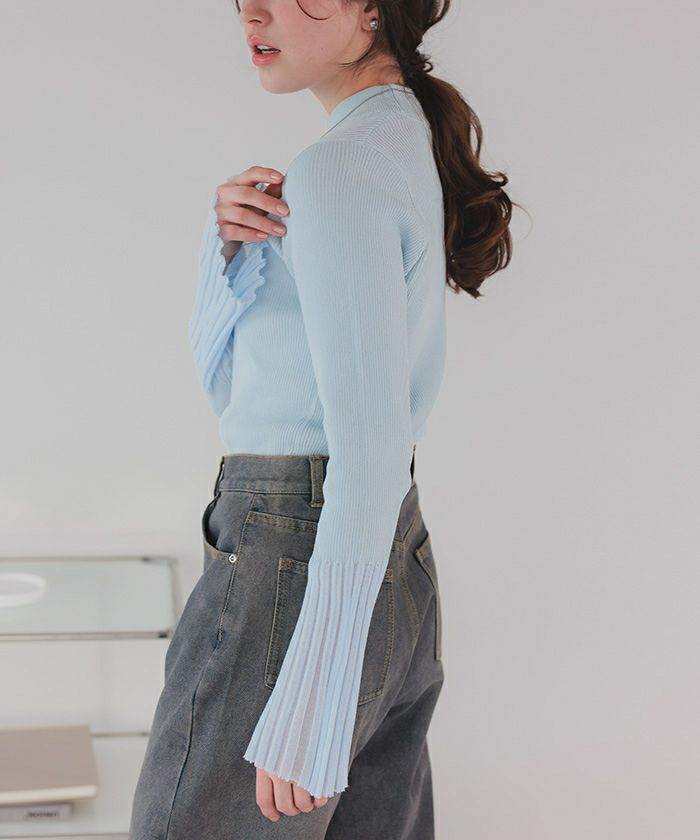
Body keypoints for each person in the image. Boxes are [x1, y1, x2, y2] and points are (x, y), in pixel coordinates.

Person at [129, 0, 514, 837]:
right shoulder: (396, 141)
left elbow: (363, 443)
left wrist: (319, 685)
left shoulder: (338, 168)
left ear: (372, 9)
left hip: (298, 553)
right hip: (379, 547)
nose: (253, 14)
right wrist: (231, 254)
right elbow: (261, 395)